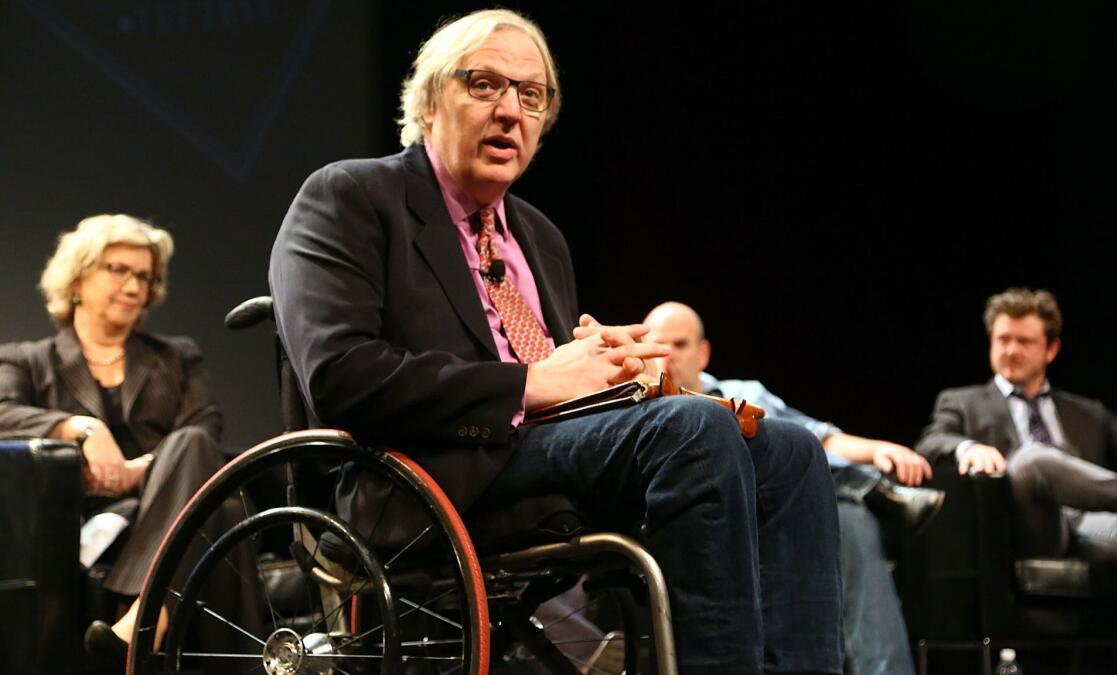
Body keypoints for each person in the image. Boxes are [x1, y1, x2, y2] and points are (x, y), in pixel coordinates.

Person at [268, 9, 843, 674]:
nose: (510, 110)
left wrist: (610, 377)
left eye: (530, 95)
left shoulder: (538, 236)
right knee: (691, 432)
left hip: (541, 458)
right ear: (429, 101)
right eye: (484, 85)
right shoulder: (351, 196)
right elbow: (342, 374)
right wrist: (535, 382)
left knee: (793, 452)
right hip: (422, 475)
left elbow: (562, 390)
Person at [0, 214, 254, 673]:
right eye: (118, 270)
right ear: (78, 277)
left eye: (145, 276)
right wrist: (78, 428)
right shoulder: (28, 360)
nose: (135, 285)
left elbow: (206, 426)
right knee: (227, 514)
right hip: (90, 522)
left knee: (196, 445)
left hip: (165, 503)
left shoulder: (175, 356)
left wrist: (145, 471)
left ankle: (141, 615)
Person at [643, 300, 940, 675]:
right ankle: (873, 492)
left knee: (842, 510)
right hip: (715, 514)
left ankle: (865, 490)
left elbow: (819, 440)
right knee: (846, 511)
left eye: (680, 345)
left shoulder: (742, 391)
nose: (667, 356)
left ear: (703, 353)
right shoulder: (642, 407)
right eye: (657, 345)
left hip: (780, 508)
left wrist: (881, 449)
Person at [915, 287, 1117, 675]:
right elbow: (931, 441)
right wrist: (965, 447)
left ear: (1051, 350)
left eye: (1024, 341)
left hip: (1090, 520)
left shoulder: (1086, 411)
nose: (1010, 349)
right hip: (1027, 525)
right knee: (1035, 458)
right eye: (1002, 339)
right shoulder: (962, 401)